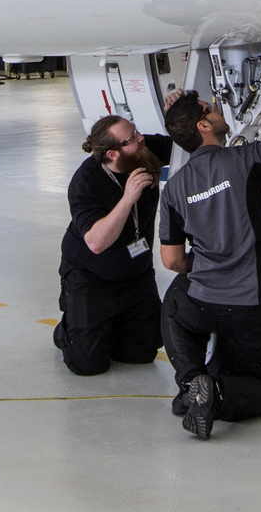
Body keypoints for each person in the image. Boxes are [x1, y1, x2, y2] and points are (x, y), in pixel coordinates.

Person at [158, 70, 261, 440]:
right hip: (251, 304)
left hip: (202, 301)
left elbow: (171, 261)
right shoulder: (244, 160)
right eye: (210, 108)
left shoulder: (173, 188)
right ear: (204, 125)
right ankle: (215, 394)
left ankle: (190, 381)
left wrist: (203, 267)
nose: (218, 109)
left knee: (177, 311)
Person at [53, 114, 173, 375]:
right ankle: (67, 329)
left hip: (136, 274)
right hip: (92, 277)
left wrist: (178, 111)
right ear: (113, 154)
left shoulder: (142, 151)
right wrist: (128, 199)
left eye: (136, 131)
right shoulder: (86, 182)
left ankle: (111, 323)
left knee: (142, 352)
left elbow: (187, 143)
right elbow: (96, 243)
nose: (141, 138)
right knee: (88, 364)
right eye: (132, 138)